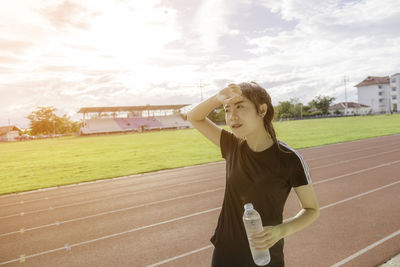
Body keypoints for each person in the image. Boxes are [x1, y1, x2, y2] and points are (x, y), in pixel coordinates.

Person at [187, 82, 320, 267]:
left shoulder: (289, 160)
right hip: (225, 252)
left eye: (240, 107)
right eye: (227, 109)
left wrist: (280, 231)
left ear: (262, 110)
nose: (232, 117)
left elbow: (312, 209)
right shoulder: (232, 146)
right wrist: (218, 97)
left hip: (264, 257)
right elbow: (194, 117)